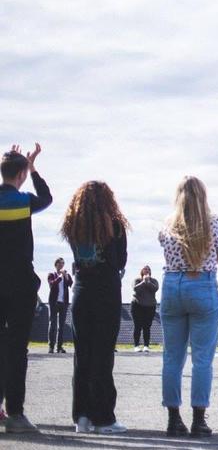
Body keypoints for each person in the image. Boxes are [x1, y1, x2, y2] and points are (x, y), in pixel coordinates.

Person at [159, 176, 218, 437]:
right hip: (202, 283)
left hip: (172, 284)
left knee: (172, 357)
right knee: (202, 359)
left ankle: (173, 417)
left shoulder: (168, 224)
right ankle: (199, 418)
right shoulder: (213, 222)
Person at [62, 181, 130, 434]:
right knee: (103, 355)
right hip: (107, 291)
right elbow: (121, 260)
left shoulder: (73, 226)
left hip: (81, 291)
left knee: (83, 355)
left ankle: (81, 416)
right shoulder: (115, 225)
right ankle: (103, 418)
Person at [0, 143, 51, 434]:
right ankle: (16, 414)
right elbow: (47, 197)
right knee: (17, 349)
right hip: (19, 284)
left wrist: (13, 163)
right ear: (21, 174)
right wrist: (33, 169)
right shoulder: (23, 202)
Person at [47, 258, 73, 354]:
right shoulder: (51, 275)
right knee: (52, 324)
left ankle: (59, 347)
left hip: (64, 303)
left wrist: (65, 275)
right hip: (54, 303)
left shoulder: (66, 275)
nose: (62, 265)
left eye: (63, 263)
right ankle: (51, 347)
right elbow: (51, 285)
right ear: (56, 264)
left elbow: (70, 284)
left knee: (61, 326)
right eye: (60, 263)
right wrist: (60, 277)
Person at [131, 266, 159, 352]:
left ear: (150, 272)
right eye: (145, 269)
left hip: (150, 306)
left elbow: (155, 289)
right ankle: (136, 346)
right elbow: (135, 288)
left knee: (147, 326)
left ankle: (146, 345)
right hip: (137, 305)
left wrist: (148, 282)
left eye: (148, 269)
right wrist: (143, 282)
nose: (147, 270)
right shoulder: (137, 280)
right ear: (142, 271)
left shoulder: (154, 281)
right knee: (137, 326)